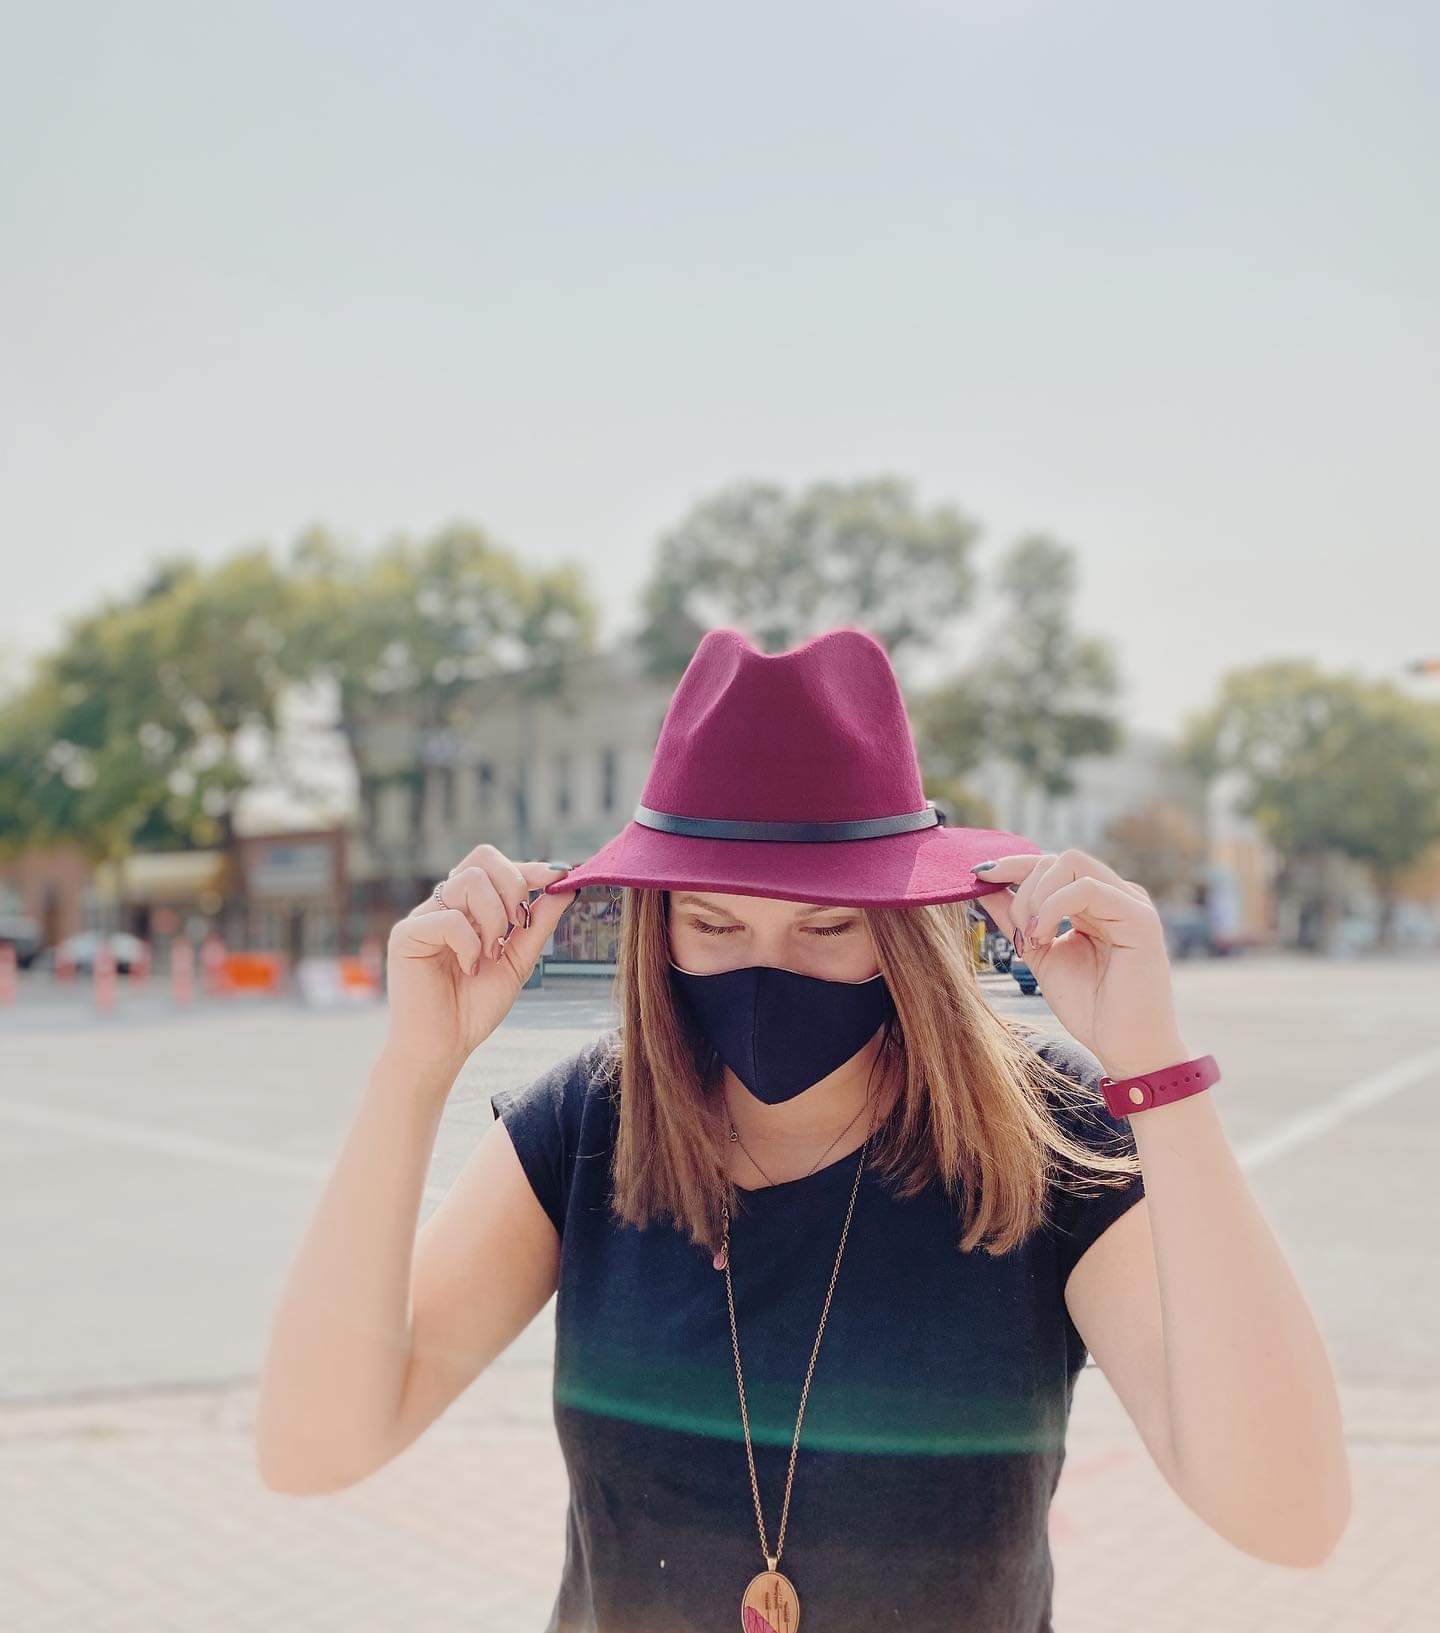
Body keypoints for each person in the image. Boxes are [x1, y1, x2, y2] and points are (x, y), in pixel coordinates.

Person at [256, 625, 1349, 1631]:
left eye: (828, 927)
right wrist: (413, 1071)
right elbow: (312, 1448)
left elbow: (1290, 1514)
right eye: (714, 923)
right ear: (658, 926)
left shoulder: (1045, 1137)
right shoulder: (588, 1126)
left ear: (906, 933)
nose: (766, 971)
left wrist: (1155, 1072)